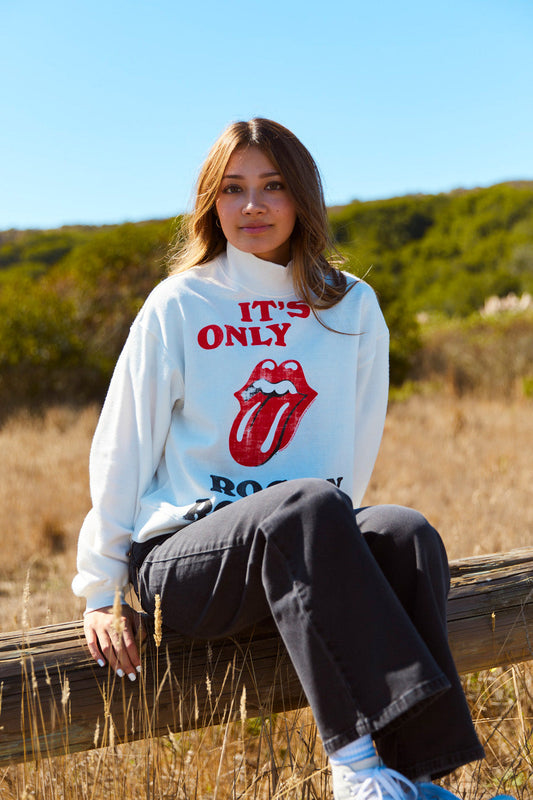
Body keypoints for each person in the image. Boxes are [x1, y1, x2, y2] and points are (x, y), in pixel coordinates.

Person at [72, 118, 513, 800]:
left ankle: (415, 779)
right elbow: (121, 443)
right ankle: (356, 767)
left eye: (272, 186)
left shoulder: (350, 305)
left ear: (301, 197)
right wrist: (101, 592)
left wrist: (331, 558)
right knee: (307, 504)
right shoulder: (180, 303)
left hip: (302, 543)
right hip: (187, 561)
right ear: (210, 204)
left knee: (403, 531)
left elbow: (354, 443)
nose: (252, 206)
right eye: (233, 188)